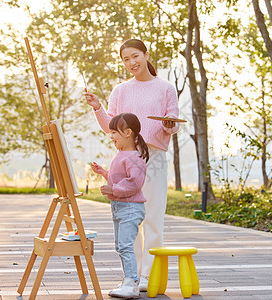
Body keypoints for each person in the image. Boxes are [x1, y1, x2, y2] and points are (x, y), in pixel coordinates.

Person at [85, 38, 180, 291]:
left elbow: (173, 122)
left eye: (135, 56)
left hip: (154, 158)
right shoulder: (120, 90)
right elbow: (110, 127)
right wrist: (98, 108)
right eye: (126, 59)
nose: (131, 63)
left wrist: (170, 124)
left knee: (152, 217)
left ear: (146, 55)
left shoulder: (165, 88)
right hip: (125, 159)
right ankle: (132, 275)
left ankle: (149, 276)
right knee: (129, 219)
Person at [90, 113, 149, 298]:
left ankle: (131, 283)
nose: (111, 136)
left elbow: (134, 184)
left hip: (130, 208)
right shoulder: (122, 155)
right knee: (120, 246)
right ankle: (128, 280)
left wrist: (112, 189)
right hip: (120, 207)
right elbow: (120, 179)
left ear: (128, 132)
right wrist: (104, 173)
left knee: (125, 245)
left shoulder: (134, 158)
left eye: (114, 132)